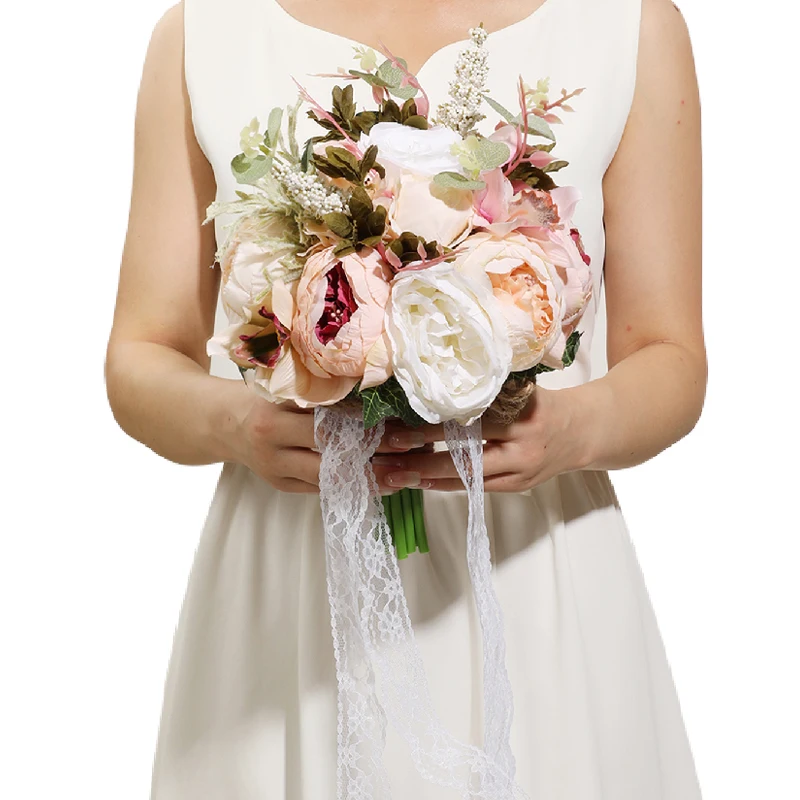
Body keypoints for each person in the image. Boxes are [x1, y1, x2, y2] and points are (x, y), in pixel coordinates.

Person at [104, 0, 706, 796]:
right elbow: (139, 354)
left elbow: (672, 357)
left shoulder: (627, 25)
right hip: (294, 579)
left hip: (530, 572)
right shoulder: (205, 31)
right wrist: (241, 425)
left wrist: (570, 430)